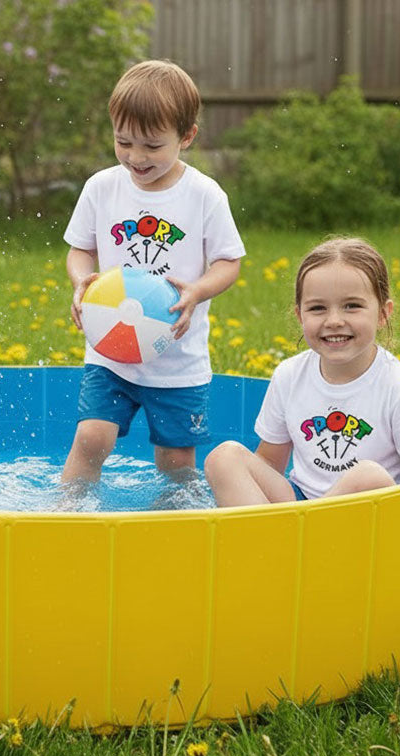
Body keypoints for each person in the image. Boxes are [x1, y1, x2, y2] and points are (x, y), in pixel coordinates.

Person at [61, 60, 245, 490]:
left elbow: (228, 262)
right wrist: (81, 280)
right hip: (111, 345)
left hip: (178, 359)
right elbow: (80, 250)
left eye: (152, 146)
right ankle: (65, 512)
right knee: (90, 438)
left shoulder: (203, 196)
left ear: (187, 136)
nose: (135, 157)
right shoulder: (102, 188)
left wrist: (199, 290)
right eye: (123, 142)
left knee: (176, 461)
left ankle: (172, 521)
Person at [204, 237, 400, 507]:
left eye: (352, 306)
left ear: (383, 314)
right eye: (318, 308)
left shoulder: (399, 386)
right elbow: (269, 463)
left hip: (366, 516)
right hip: (300, 502)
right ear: (300, 315)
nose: (334, 321)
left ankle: (294, 537)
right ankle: (268, 538)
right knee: (224, 457)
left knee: (368, 476)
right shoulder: (290, 375)